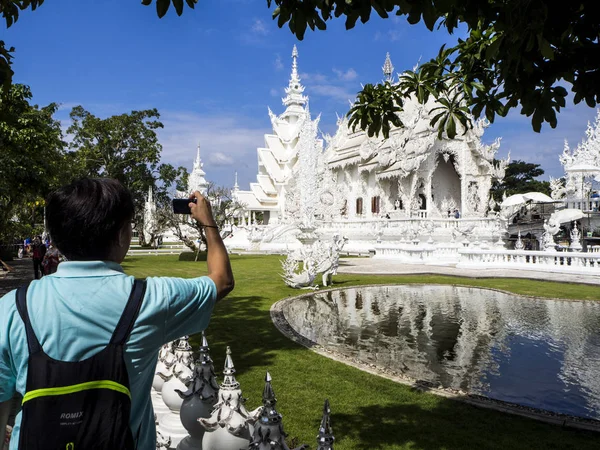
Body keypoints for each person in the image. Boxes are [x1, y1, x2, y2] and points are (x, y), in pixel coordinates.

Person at [0, 178, 234, 449]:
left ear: (56, 236)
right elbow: (222, 280)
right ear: (123, 234)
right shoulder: (150, 300)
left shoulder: (13, 307)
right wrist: (208, 222)